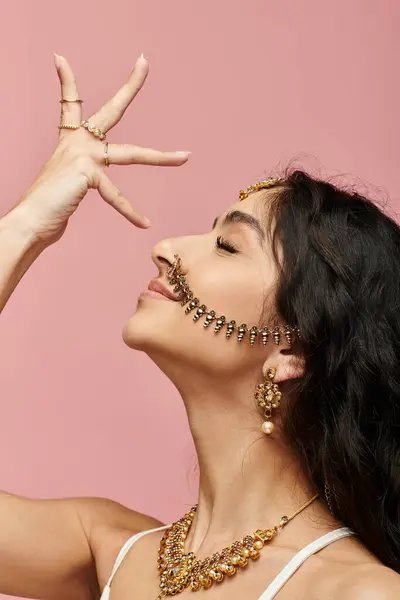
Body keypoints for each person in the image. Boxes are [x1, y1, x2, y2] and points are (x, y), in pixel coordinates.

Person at [0, 53, 399, 600]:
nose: (165, 249)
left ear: (293, 349)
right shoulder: (113, 552)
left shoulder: (357, 592)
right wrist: (27, 223)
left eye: (227, 246)